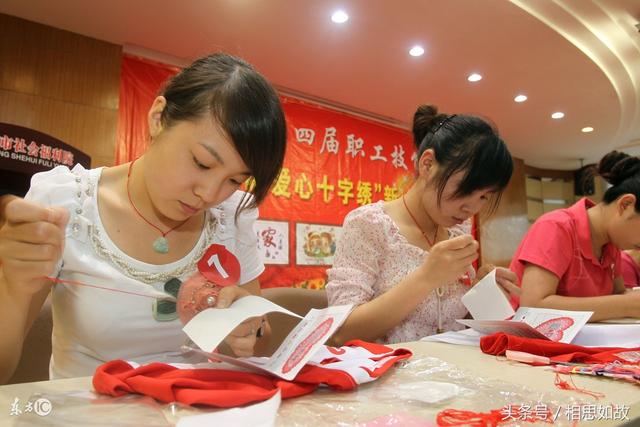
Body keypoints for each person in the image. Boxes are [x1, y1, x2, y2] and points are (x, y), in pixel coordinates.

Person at [0, 52, 287, 382]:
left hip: (193, 404)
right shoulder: (66, 205)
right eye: (202, 163)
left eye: (235, 180)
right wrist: (12, 284)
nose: (209, 194)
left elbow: (260, 344)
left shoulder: (232, 216)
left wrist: (248, 328)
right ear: (158, 118)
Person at [326, 105, 518, 345]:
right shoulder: (368, 224)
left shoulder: (457, 230)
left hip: (451, 367)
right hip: (390, 368)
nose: (472, 208)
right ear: (427, 164)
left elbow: (452, 326)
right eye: (466, 189)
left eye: (484, 197)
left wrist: (482, 292)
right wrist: (427, 277)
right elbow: (340, 332)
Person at [510, 151, 640, 322]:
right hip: (522, 336)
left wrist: (628, 301)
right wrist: (626, 305)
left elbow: (618, 295)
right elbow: (533, 305)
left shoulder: (612, 244)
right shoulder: (556, 226)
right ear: (625, 205)